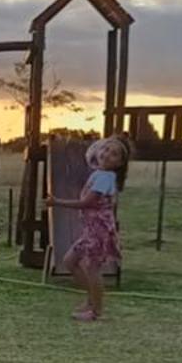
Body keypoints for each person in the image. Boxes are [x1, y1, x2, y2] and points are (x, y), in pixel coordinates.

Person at [55, 134, 129, 322]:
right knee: (70, 261)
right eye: (105, 150)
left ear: (119, 162)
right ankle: (91, 300)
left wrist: (56, 202)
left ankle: (96, 310)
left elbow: (86, 203)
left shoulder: (105, 178)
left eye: (113, 154)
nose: (106, 155)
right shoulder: (98, 174)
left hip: (99, 230)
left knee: (92, 268)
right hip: (90, 229)